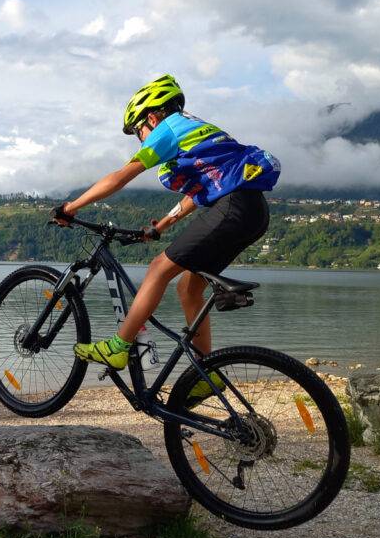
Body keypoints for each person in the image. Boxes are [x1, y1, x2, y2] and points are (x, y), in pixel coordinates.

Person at [54, 74, 280, 378]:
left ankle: (119, 346)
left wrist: (70, 207)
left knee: (158, 268)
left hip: (233, 209)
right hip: (252, 213)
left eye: (138, 132)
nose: (142, 139)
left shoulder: (168, 128)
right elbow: (196, 195)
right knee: (189, 287)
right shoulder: (195, 129)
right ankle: (206, 374)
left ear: (151, 117)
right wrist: (160, 226)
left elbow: (121, 177)